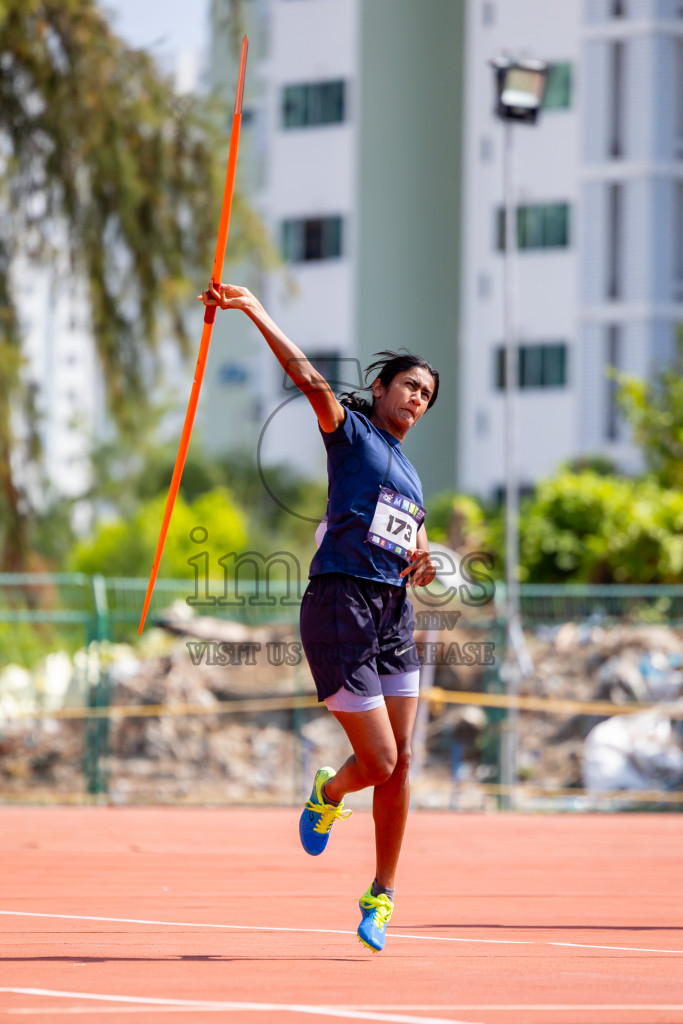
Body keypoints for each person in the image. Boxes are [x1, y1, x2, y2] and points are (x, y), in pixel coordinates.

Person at [198, 282, 438, 952]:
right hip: (339, 603)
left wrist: (425, 562)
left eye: (426, 395)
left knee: (404, 761)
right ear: (382, 386)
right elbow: (304, 376)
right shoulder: (349, 430)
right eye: (409, 387)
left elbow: (413, 541)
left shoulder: (411, 474)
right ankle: (329, 792)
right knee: (380, 760)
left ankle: (381, 895)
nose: (416, 400)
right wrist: (252, 309)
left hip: (393, 610)